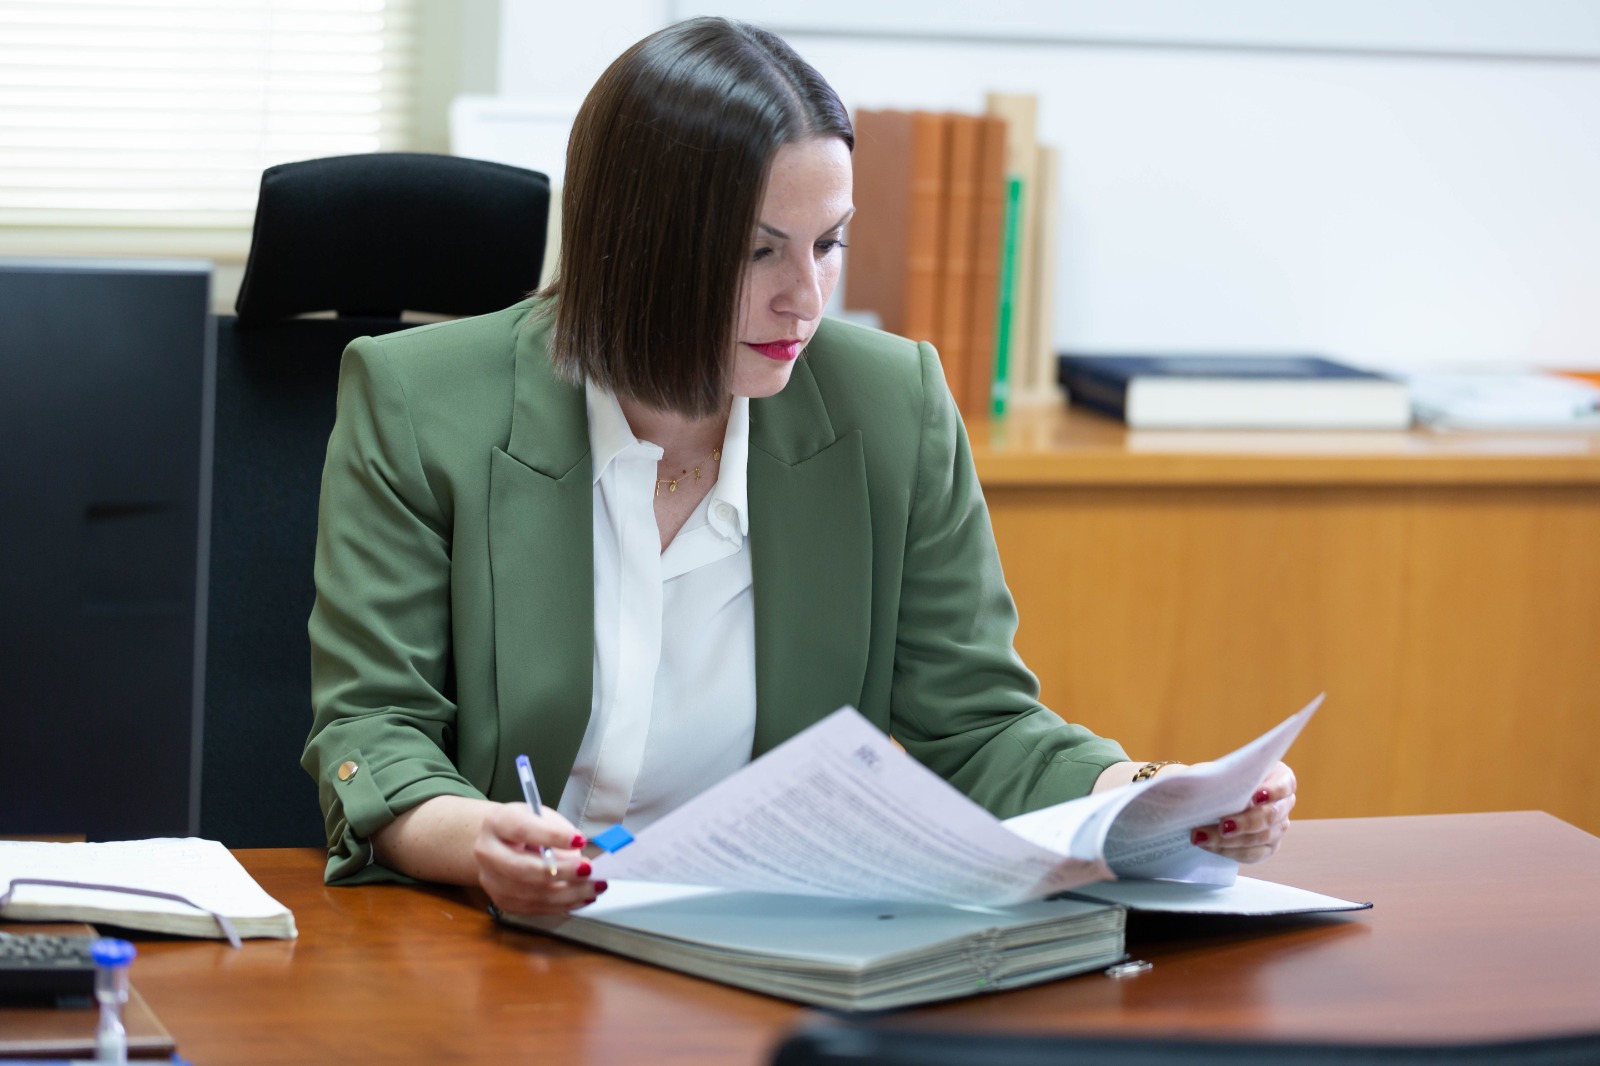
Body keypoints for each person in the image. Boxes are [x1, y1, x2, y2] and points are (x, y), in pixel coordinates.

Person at [302, 16, 1295, 915]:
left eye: (828, 245)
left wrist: (1154, 796)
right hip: (505, 943)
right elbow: (375, 728)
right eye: (758, 253)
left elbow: (979, 721)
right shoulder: (418, 401)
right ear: (636, 247)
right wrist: (479, 839)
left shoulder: (890, 403)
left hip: (767, 935)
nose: (806, 301)